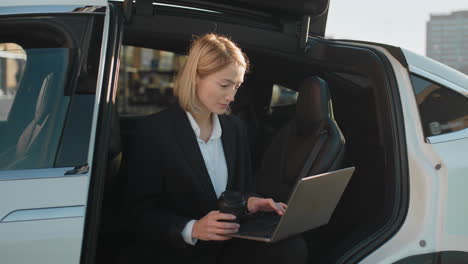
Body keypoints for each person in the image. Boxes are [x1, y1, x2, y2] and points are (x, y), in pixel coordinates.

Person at [124, 33, 307, 264]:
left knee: (292, 247)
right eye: (224, 85)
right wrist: (192, 229)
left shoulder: (235, 129)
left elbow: (241, 190)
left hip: (229, 248)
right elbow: (136, 214)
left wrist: (250, 203)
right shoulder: (154, 132)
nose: (231, 96)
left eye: (237, 86)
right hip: (178, 253)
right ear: (196, 77)